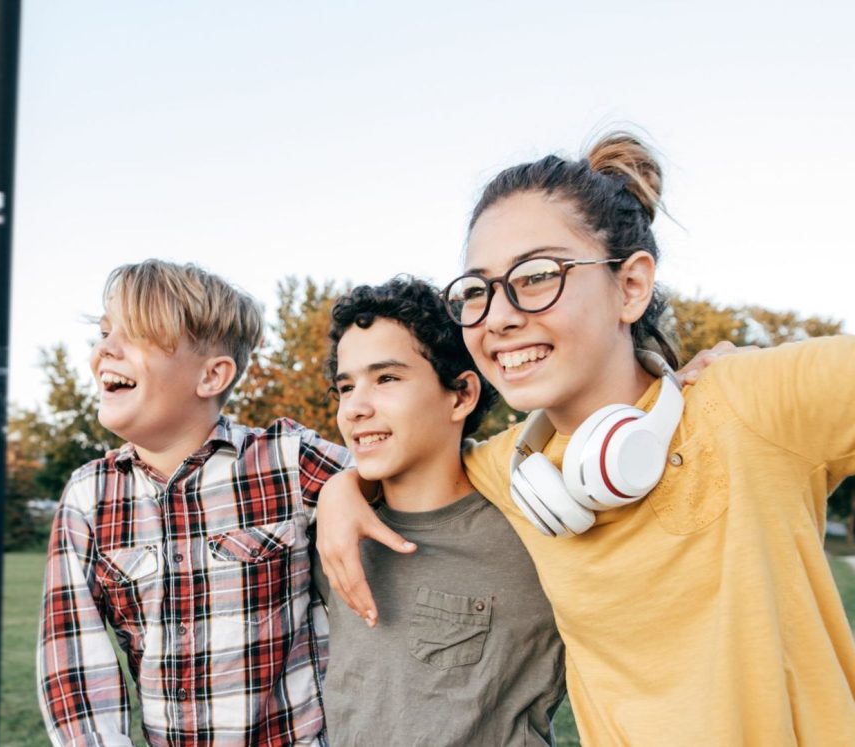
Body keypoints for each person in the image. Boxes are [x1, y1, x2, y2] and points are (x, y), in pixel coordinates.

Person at [316, 133, 855, 745]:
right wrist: (343, 486)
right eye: (477, 290)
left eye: (538, 275)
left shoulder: (752, 400)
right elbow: (412, 452)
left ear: (630, 287)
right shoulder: (512, 468)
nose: (499, 316)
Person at [36, 260, 350, 746]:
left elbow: (404, 474)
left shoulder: (287, 459)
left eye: (134, 336)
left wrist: (351, 487)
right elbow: (75, 668)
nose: (105, 350)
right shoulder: (88, 496)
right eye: (103, 332)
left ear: (212, 376)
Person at [313, 277, 565, 745]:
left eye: (386, 378)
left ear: (461, 395)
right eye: (345, 387)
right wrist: (339, 487)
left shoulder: (534, 523)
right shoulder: (331, 536)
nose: (354, 409)